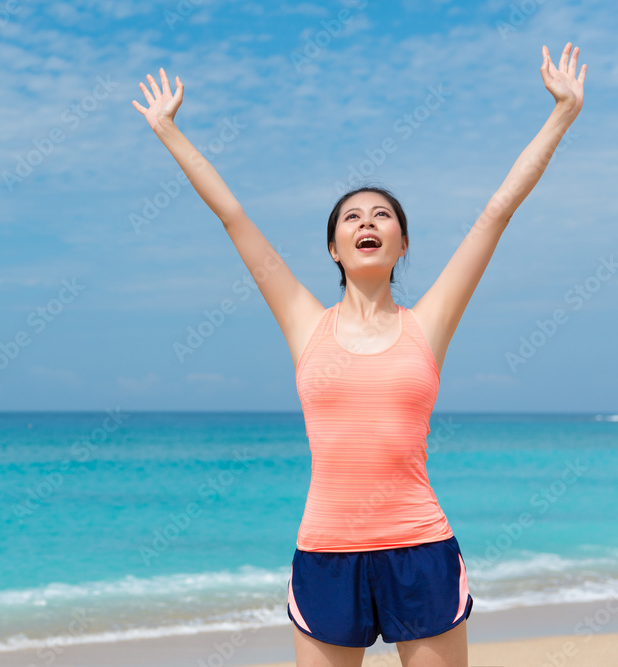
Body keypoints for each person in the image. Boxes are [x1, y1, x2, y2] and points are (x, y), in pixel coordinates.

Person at [132, 43, 586, 667]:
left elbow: (495, 212)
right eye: (351, 217)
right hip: (326, 553)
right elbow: (232, 215)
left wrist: (563, 112)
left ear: (401, 244)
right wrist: (167, 132)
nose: (366, 221)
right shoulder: (303, 323)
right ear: (334, 249)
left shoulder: (428, 323)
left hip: (419, 546)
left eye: (381, 216)